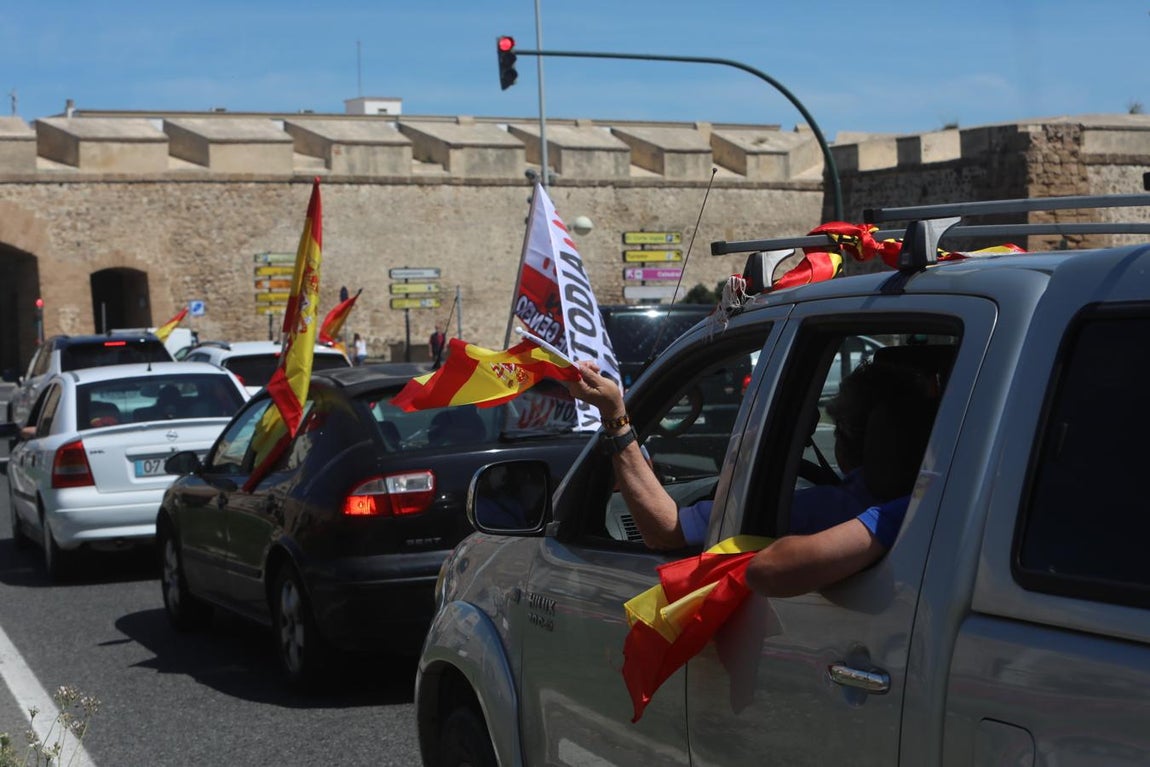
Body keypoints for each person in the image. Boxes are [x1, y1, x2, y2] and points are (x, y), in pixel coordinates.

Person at [564, 357, 939, 598]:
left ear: (853, 437)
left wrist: (615, 418)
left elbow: (667, 530)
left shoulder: (829, 510)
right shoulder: (960, 501)